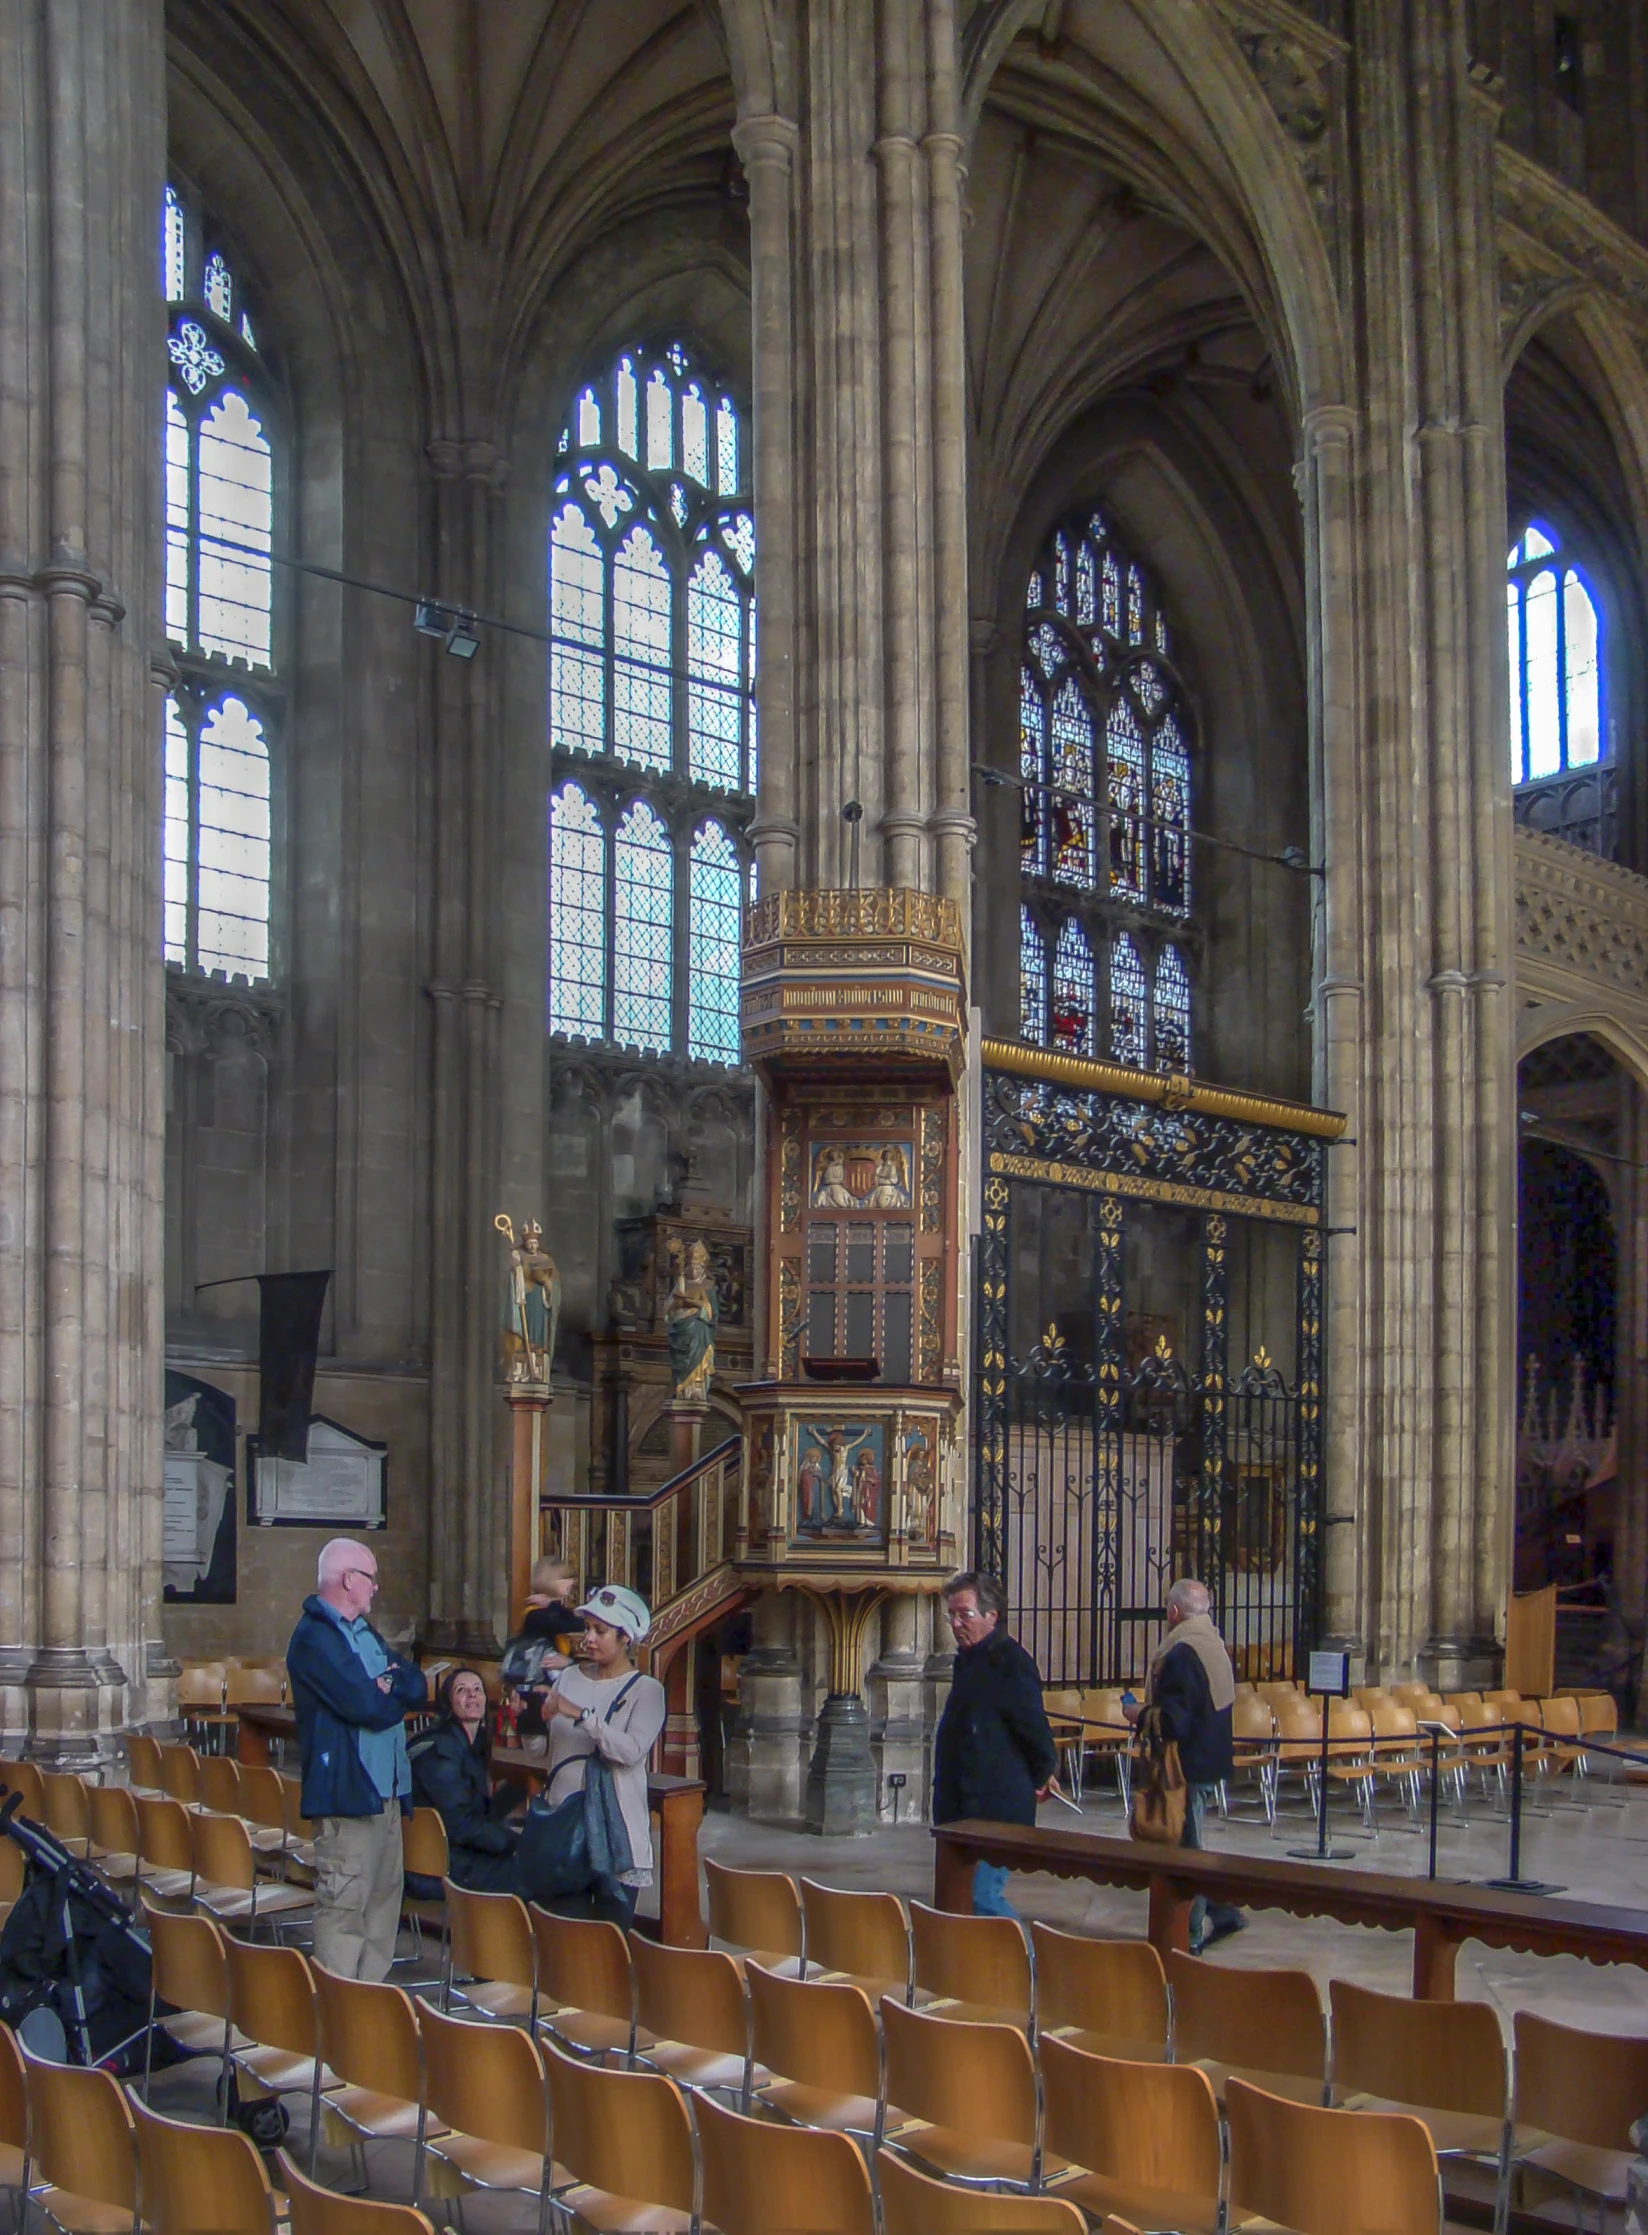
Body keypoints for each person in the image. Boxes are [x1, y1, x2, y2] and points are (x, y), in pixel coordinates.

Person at [286, 1537, 427, 1980]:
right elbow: (364, 1705)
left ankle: (370, 2007)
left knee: (384, 1905)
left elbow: (417, 1685)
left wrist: (389, 1688)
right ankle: (336, 2014)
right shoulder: (314, 1638)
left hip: (386, 1791)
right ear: (348, 1579)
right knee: (344, 1906)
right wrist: (386, 1693)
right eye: (371, 1578)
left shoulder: (364, 1632)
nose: (376, 1588)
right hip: (347, 1795)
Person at [1125, 1577, 1246, 1954]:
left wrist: (1138, 1713)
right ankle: (1224, 1912)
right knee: (1188, 1842)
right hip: (1208, 1758)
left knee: (1184, 1852)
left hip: (1186, 1766)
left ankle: (1188, 1936)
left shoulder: (1182, 1653)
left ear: (1173, 1611)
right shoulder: (1213, 1644)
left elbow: (1176, 1720)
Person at [537, 1583, 666, 1929]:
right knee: (565, 1940)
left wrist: (583, 1716)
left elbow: (630, 1751)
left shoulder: (647, 1691)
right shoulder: (567, 1677)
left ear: (625, 1637)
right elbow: (555, 1750)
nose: (588, 1638)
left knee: (609, 1945)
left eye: (600, 1630)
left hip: (616, 1833)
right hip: (564, 1826)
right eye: (587, 1628)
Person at [931, 1569, 1058, 1917]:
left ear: (992, 1615)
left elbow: (1032, 1726)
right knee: (954, 1898)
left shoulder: (1010, 1661)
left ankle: (1027, 1964)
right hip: (961, 1804)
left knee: (980, 1897)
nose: (956, 1624)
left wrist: (1043, 1771)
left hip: (993, 1806)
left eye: (964, 1614)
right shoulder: (968, 1660)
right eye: (952, 1615)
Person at [407, 1667, 521, 1892]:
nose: (472, 1695)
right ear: (449, 1703)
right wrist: (515, 1843)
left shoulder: (466, 1745)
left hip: (455, 1857)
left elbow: (477, 1811)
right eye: (462, 1690)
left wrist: (519, 1787)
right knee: (535, 1876)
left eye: (477, 1689)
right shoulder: (439, 1751)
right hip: (438, 1867)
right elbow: (461, 1824)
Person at [510, 1555, 584, 1737]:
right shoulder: (536, 1614)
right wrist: (552, 1606)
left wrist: (552, 1604)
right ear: (549, 1580)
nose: (571, 1582)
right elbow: (571, 1624)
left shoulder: (552, 1610)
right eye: (565, 1578)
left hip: (552, 1680)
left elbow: (574, 1619)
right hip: (539, 1683)